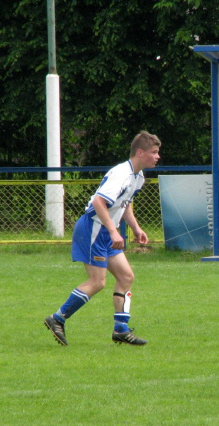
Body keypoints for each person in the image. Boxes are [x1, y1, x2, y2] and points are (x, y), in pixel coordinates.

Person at [44, 130, 161, 346]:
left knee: (126, 276)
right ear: (140, 152)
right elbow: (99, 201)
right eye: (154, 152)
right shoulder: (121, 174)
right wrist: (114, 230)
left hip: (106, 230)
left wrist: (135, 228)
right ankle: (57, 318)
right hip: (94, 228)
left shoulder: (139, 176)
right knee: (97, 282)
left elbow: (124, 203)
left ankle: (121, 330)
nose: (157, 156)